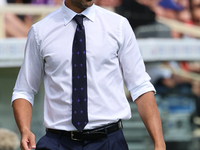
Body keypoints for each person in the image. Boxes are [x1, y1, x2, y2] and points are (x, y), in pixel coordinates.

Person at [11, 0, 166, 150]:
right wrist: (25, 129)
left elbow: (140, 86)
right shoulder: (40, 31)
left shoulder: (118, 25)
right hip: (58, 142)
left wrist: (159, 144)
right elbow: (23, 91)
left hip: (109, 141)